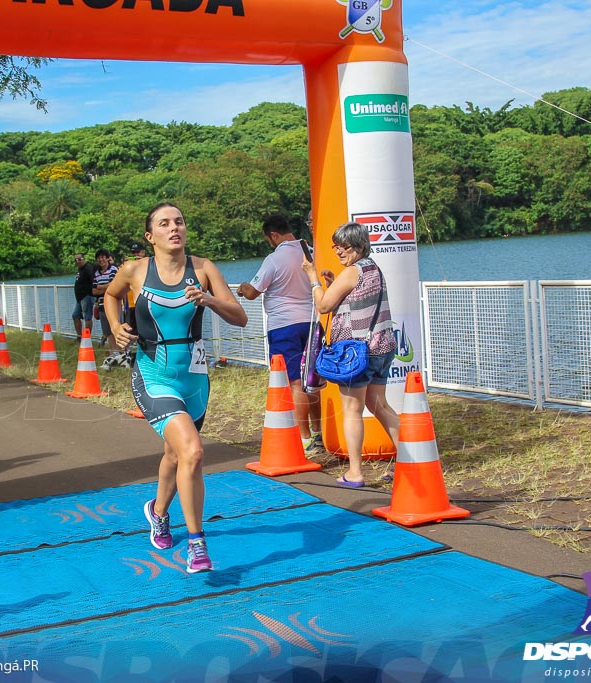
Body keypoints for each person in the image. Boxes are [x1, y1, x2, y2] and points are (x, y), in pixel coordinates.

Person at [104, 203, 247, 573]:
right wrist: (115, 326)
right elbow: (110, 295)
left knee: (176, 454)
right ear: (150, 237)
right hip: (154, 375)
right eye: (164, 224)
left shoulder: (204, 269)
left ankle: (157, 511)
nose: (174, 228)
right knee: (194, 452)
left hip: (195, 378)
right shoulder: (134, 270)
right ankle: (197, 545)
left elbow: (241, 317)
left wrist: (210, 299)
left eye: (179, 222)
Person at [302, 222, 400, 488]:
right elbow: (356, 300)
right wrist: (334, 284)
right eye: (336, 246)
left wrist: (313, 278)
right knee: (379, 405)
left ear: (358, 246)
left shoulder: (352, 272)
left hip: (356, 353)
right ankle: (411, 459)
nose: (338, 251)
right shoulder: (374, 268)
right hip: (382, 346)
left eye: (343, 246)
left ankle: (355, 472)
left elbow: (323, 305)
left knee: (352, 410)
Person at [237, 213, 322, 452]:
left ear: (273, 235)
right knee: (313, 382)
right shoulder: (310, 251)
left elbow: (253, 291)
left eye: (268, 239)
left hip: (284, 325)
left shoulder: (274, 259)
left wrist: (243, 288)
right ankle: (318, 431)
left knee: (295, 382)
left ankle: (304, 437)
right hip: (312, 321)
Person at [90, 248, 123, 367]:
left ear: (107, 258)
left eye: (103, 257)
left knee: (116, 328)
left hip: (114, 304)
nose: (101, 259)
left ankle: (121, 353)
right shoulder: (96, 273)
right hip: (102, 304)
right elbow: (93, 291)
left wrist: (100, 286)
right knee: (107, 331)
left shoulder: (113, 269)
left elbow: (113, 286)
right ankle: (114, 353)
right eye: (98, 257)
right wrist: (104, 287)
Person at [71, 252, 97, 338]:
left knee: (87, 317)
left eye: (79, 259)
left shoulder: (88, 268)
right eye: (75, 260)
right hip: (79, 298)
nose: (77, 261)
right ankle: (80, 336)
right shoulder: (80, 269)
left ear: (84, 259)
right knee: (75, 316)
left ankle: (87, 338)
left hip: (87, 296)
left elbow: (94, 281)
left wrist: (94, 295)